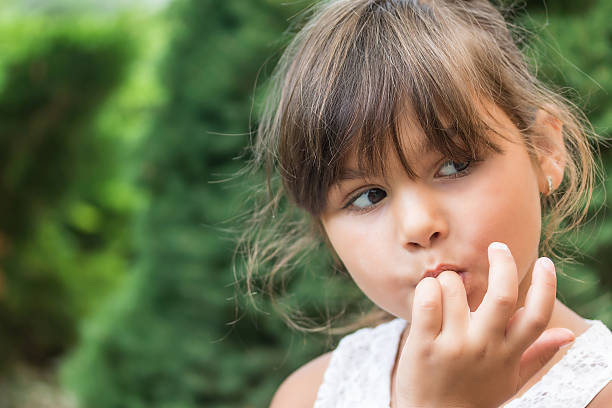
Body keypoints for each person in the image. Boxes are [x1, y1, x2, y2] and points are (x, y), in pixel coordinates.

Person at [237, 0, 612, 406]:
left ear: (543, 149)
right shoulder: (307, 396)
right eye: (368, 196)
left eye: (454, 165)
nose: (418, 225)